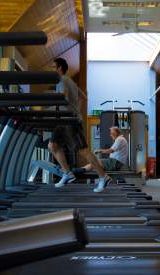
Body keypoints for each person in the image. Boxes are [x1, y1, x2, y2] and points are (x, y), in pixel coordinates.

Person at [48, 58, 112, 193]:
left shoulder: (63, 80)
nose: (51, 70)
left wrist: (70, 110)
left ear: (59, 68)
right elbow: (84, 97)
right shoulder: (70, 81)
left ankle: (103, 176)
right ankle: (68, 173)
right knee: (52, 145)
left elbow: (63, 97)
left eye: (53, 67)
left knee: (83, 151)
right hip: (63, 121)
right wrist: (76, 108)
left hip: (69, 120)